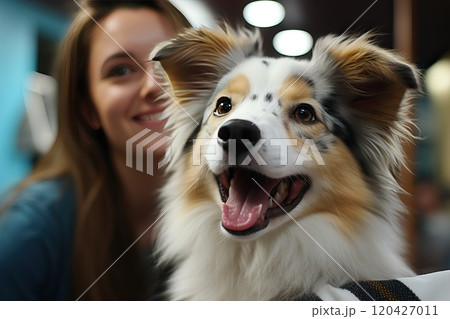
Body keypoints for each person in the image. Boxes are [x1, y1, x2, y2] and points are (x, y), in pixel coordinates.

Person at [0, 0, 190, 300]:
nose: (154, 85)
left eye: (172, 60)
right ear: (88, 110)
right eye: (122, 70)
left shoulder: (240, 207)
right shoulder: (32, 229)